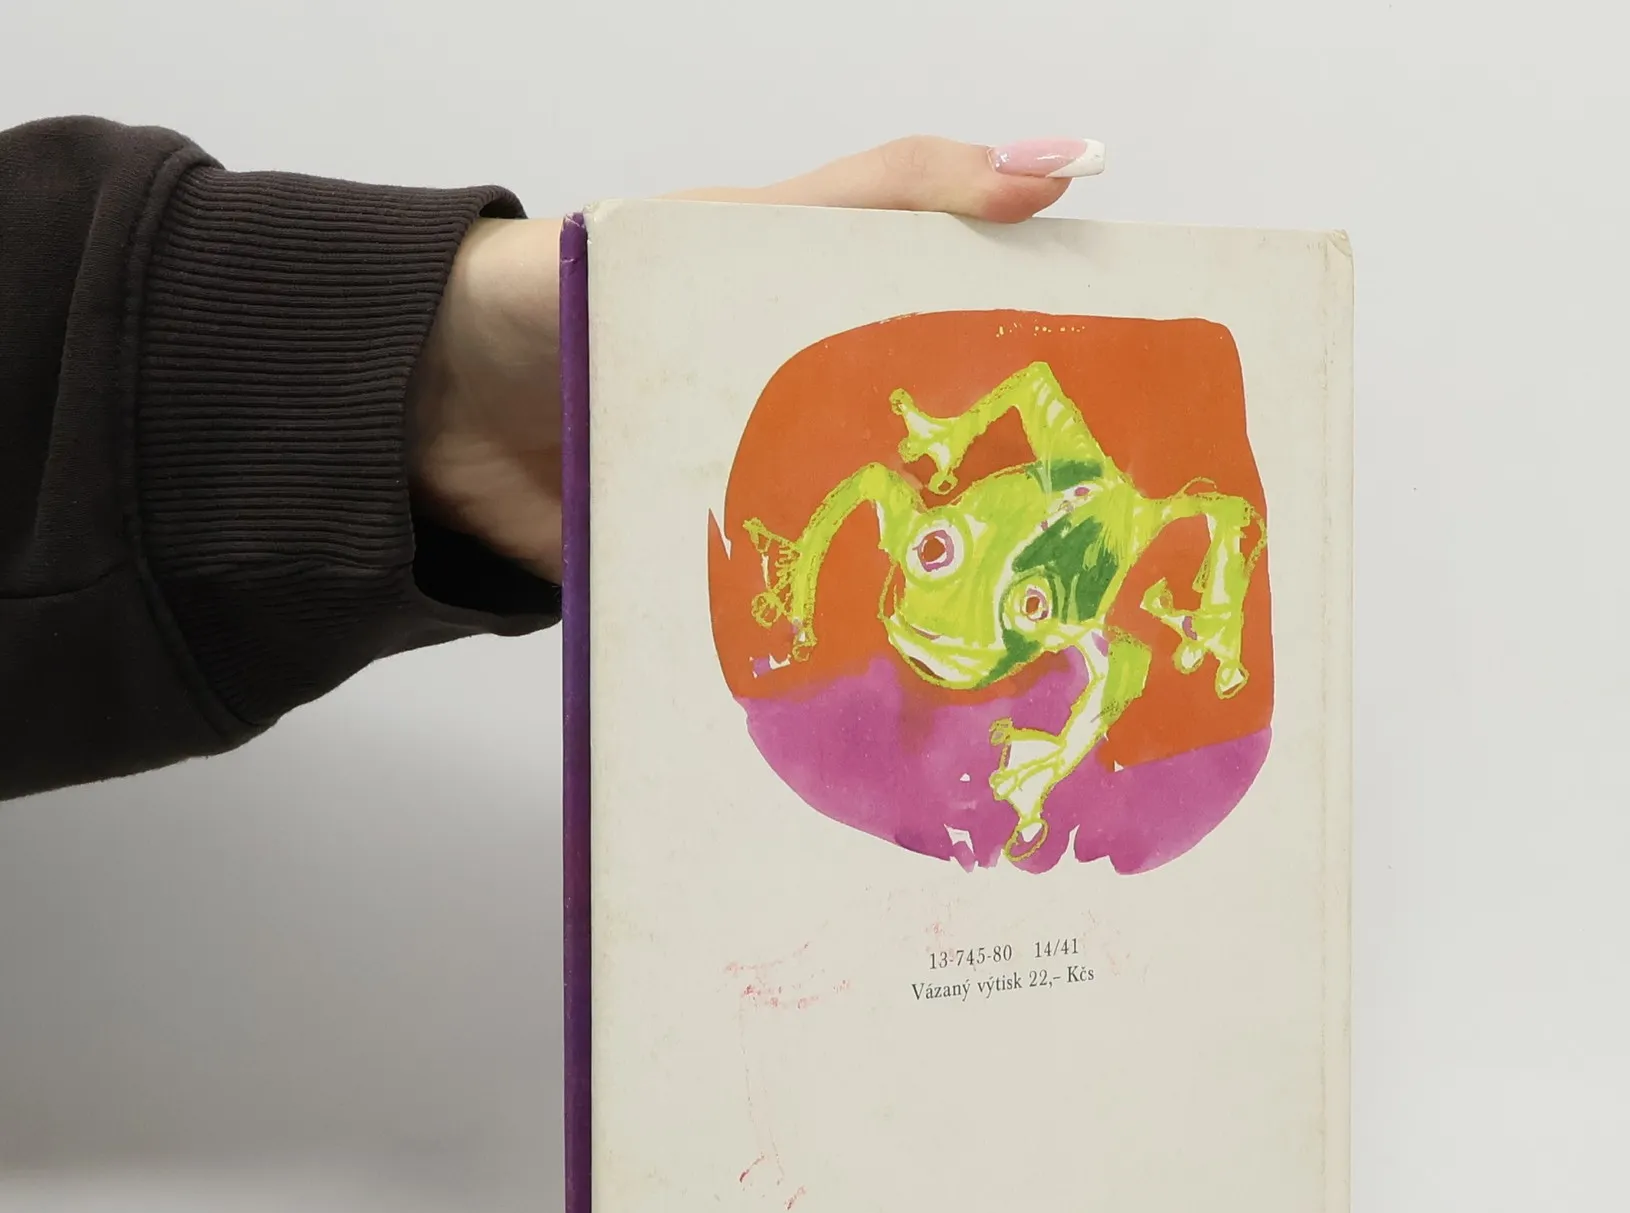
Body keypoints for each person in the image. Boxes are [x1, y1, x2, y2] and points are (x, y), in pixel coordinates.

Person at [0, 120, 1102, 801]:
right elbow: (878, 478)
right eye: (933, 549)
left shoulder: (1086, 601)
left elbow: (1113, 648)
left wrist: (441, 356)